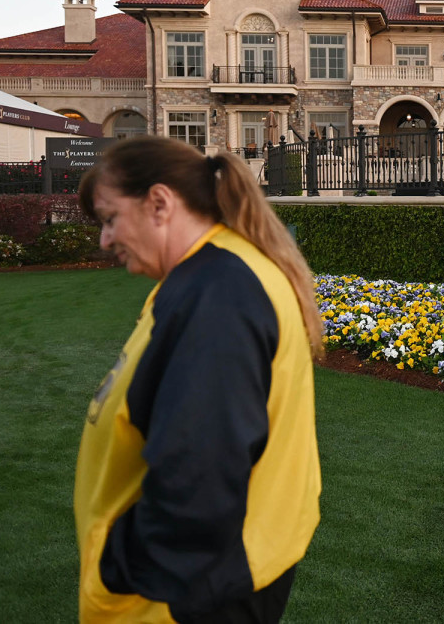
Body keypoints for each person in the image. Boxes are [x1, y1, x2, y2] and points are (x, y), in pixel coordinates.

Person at [74, 136, 323, 623]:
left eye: (109, 218)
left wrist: (118, 571)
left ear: (160, 203)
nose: (105, 240)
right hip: (220, 575)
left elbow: (200, 478)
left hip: (188, 594)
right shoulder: (214, 274)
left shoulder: (218, 293)